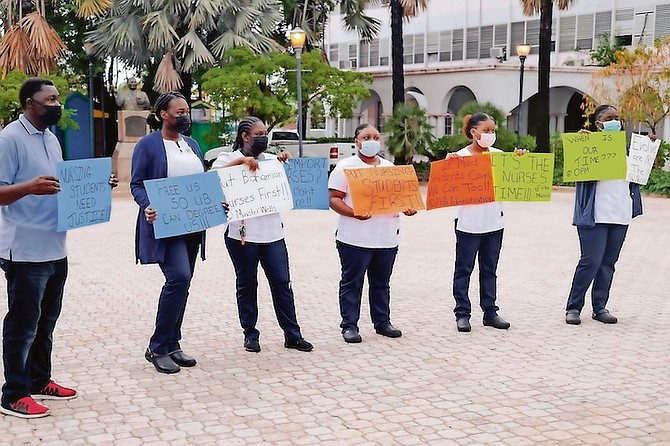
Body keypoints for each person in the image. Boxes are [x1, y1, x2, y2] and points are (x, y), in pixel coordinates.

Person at [0, 78, 118, 418]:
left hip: (55, 246)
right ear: (29, 104)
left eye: (58, 98)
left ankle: (40, 380)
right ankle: (14, 394)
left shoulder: (51, 139)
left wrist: (98, 184)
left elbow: (60, 185)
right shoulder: (10, 139)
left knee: (46, 321)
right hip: (24, 249)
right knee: (23, 325)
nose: (57, 104)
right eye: (50, 99)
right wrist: (29, 188)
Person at [211, 116, 313, 353]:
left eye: (264, 134)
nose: (262, 138)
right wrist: (239, 162)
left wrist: (284, 164)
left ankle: (292, 334)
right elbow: (213, 179)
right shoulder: (227, 158)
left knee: (282, 283)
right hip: (242, 236)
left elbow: (288, 186)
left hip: (273, 235)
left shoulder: (269, 160)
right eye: (257, 134)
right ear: (245, 136)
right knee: (247, 285)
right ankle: (250, 334)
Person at [131, 91, 205, 374]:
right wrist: (147, 204)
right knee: (178, 278)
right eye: (180, 111)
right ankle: (158, 346)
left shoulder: (192, 145)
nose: (185, 116)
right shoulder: (148, 145)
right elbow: (137, 184)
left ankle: (173, 342)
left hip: (192, 226)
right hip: (166, 226)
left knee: (183, 285)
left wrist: (215, 201)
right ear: (164, 114)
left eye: (187, 111)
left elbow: (201, 184)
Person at [328, 123, 417, 344]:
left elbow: (403, 199)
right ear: (356, 141)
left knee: (381, 282)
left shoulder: (390, 168)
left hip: (386, 237)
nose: (372, 141)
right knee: (352, 282)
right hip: (355, 238)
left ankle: (382, 322)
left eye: (376, 137)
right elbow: (334, 199)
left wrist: (408, 207)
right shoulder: (345, 167)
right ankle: (349, 325)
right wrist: (353, 213)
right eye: (366, 137)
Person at [565, 104, 646, 325]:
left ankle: (600, 307)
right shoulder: (588, 146)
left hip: (620, 215)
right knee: (590, 261)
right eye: (609, 118)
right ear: (598, 124)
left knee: (608, 263)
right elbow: (577, 172)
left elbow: (637, 179)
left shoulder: (628, 150)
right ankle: (573, 307)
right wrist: (582, 144)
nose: (615, 122)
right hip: (595, 216)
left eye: (617, 118)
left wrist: (648, 150)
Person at [446, 113, 525, 333]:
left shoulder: (499, 156)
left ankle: (490, 311)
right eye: (486, 130)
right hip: (468, 224)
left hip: (494, 223)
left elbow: (515, 179)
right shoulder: (459, 157)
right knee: (464, 270)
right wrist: (449, 165)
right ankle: (462, 313)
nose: (490, 134)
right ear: (474, 132)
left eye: (493, 131)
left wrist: (520, 159)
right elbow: (447, 186)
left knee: (489, 269)